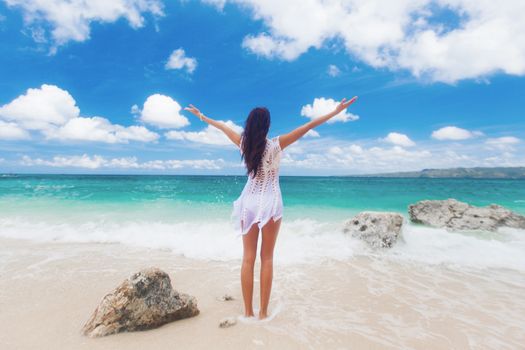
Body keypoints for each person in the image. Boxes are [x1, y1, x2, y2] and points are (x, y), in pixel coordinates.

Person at [184, 96, 358, 319]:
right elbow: (308, 125)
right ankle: (263, 314)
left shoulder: (243, 144)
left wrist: (201, 116)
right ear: (267, 125)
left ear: (249, 124)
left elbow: (221, 126)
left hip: (248, 202)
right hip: (270, 202)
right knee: (267, 258)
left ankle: (247, 312)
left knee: (248, 258)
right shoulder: (276, 144)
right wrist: (336, 111)